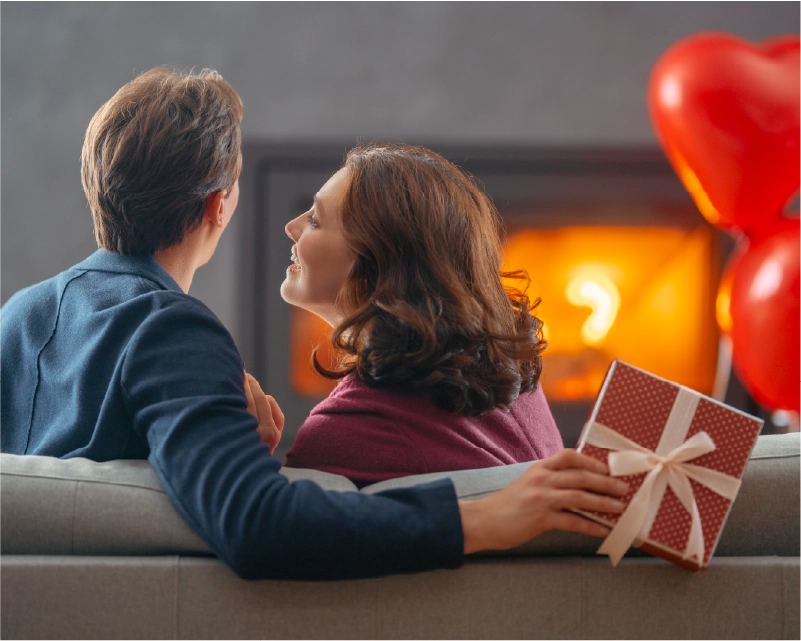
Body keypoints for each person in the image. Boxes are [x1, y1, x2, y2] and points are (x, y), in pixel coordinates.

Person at [0, 66, 629, 581]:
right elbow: (257, 519)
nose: (291, 227)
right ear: (221, 205)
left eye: (317, 218)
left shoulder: (19, 318)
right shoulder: (176, 336)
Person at [282, 145, 563, 487]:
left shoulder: (347, 430)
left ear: (376, 264)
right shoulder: (519, 387)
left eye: (315, 220)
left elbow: (276, 529)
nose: (291, 227)